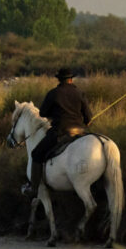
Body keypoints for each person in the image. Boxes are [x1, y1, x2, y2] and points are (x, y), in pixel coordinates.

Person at [22, 67, 93, 197]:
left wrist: (53, 114)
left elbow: (43, 113)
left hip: (60, 132)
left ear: (59, 80)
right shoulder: (80, 93)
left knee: (36, 153)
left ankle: (34, 189)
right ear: (71, 79)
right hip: (80, 132)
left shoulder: (53, 93)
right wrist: (86, 122)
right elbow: (89, 118)